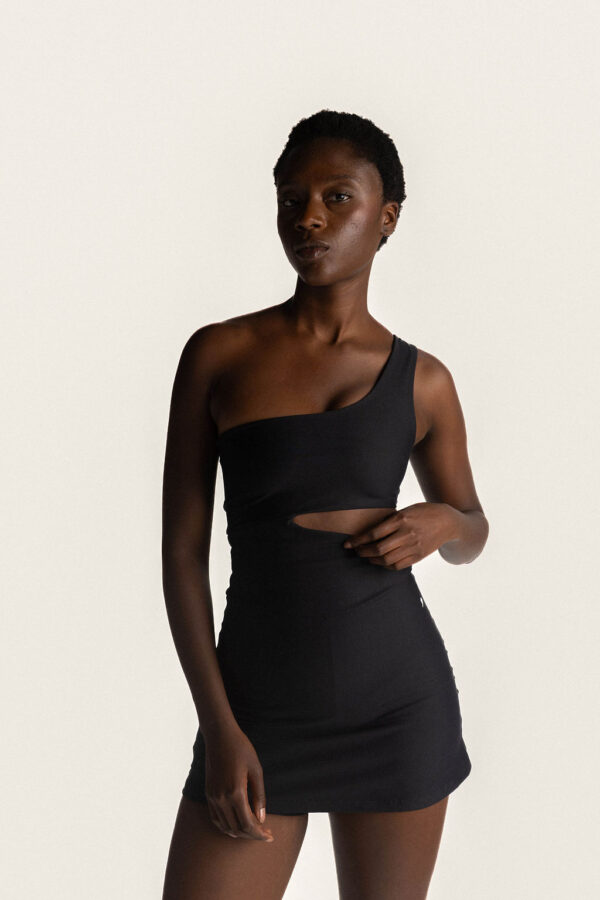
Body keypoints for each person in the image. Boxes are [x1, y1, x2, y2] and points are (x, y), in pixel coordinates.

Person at [161, 109, 489, 900]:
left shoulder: (424, 381)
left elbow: (472, 529)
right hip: (257, 709)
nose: (308, 216)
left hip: (398, 706)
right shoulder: (220, 354)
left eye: (337, 197)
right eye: (292, 199)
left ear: (387, 217)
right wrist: (220, 728)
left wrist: (445, 521)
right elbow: (181, 555)